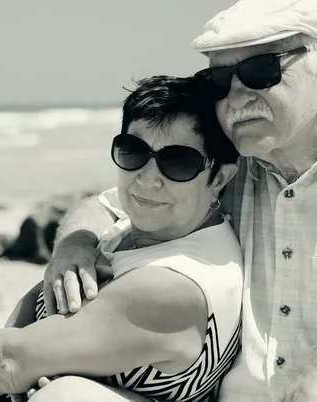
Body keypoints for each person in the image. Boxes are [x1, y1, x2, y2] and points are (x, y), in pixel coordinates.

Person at [40, 1, 317, 401]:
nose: (237, 97)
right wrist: (74, 247)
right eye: (218, 82)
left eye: (261, 71)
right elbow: (106, 205)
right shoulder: (221, 171)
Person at [0, 75, 242, 402]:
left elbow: (9, 362)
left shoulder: (173, 285)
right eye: (134, 152)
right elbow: (100, 203)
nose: (147, 178)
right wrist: (73, 244)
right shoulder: (155, 227)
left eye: (178, 162)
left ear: (220, 176)